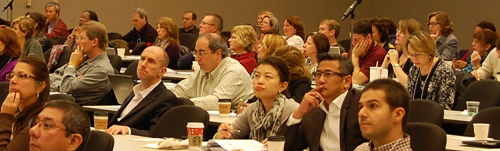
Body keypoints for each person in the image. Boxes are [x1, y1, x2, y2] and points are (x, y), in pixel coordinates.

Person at [280, 53, 367, 151]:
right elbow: (287, 147)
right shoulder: (312, 109)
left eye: (328, 74)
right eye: (318, 74)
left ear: (346, 81)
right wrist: (299, 112)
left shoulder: (361, 105)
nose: (321, 80)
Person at [215, 56, 299, 142]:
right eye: (257, 76)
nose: (260, 81)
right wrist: (222, 133)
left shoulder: (293, 110)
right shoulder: (252, 109)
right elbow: (228, 136)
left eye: (268, 77)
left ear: (283, 86)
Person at [107, 46, 180, 136]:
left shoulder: (166, 99)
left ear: (162, 71)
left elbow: (156, 134)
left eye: (151, 61)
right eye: (142, 59)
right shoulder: (135, 91)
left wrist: (128, 130)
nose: (143, 64)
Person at [170, 33, 254, 110]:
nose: (197, 58)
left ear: (218, 53)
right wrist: (167, 100)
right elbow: (180, 90)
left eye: (202, 53)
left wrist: (184, 103)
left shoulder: (233, 71)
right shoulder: (204, 70)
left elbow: (218, 101)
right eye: (196, 53)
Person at [49, 21, 114, 105]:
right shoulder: (82, 58)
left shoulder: (102, 70)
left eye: (82, 38)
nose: (77, 42)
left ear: (94, 42)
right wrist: (71, 79)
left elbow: (65, 88)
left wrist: (72, 65)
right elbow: (54, 75)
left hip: (72, 112)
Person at [0, 57, 50, 151]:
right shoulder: (18, 114)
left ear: (39, 87)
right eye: (11, 75)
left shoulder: (37, 124)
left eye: (22, 76)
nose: (13, 81)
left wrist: (6, 116)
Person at [355, 79, 411, 151]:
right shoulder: (362, 148)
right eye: (361, 107)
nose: (361, 113)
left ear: (397, 114)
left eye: (373, 106)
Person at [406, 31, 455, 110]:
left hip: (433, 118)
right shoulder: (414, 69)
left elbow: (445, 106)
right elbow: (408, 98)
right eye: (411, 54)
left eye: (418, 54)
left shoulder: (444, 71)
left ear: (429, 51)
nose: (414, 58)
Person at [381, 19, 422, 86]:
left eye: (402, 33)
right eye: (397, 31)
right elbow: (379, 81)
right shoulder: (397, 54)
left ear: (412, 37)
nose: (397, 34)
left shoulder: (415, 59)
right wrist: (385, 63)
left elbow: (408, 84)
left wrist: (394, 63)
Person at [349, 19, 387, 84]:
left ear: (369, 37)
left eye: (357, 39)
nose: (353, 43)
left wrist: (355, 57)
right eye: (351, 39)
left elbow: (357, 80)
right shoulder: (354, 49)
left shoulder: (378, 53)